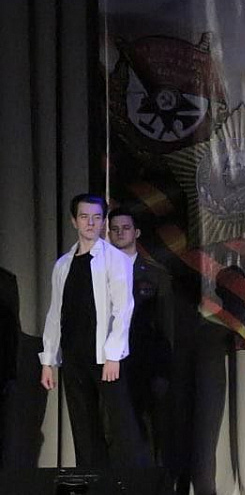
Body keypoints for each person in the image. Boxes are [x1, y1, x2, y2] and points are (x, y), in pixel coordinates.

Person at [39, 194, 149, 468]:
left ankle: (135, 485)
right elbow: (55, 313)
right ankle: (92, 484)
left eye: (97, 218)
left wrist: (113, 355)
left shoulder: (114, 259)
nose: (91, 223)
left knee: (122, 425)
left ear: (103, 222)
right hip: (73, 354)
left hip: (104, 354)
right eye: (85, 217)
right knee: (83, 427)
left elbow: (122, 308)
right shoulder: (63, 265)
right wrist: (48, 360)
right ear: (74, 221)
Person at [107, 207, 175, 466]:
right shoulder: (100, 273)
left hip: (147, 363)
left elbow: (166, 326)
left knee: (151, 427)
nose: (120, 233)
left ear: (136, 232)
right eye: (115, 229)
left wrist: (164, 371)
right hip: (113, 363)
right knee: (115, 428)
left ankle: (154, 482)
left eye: (125, 228)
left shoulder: (154, 274)